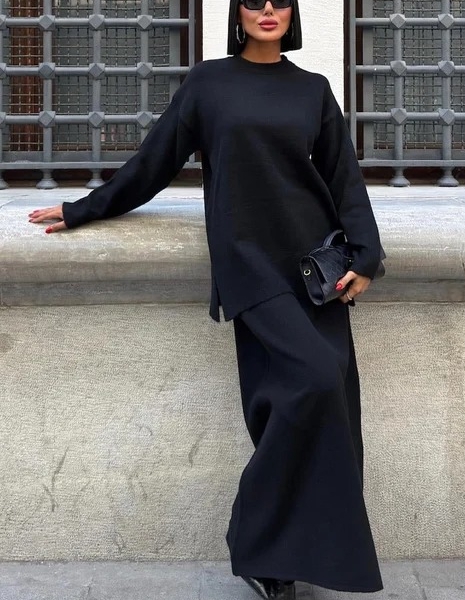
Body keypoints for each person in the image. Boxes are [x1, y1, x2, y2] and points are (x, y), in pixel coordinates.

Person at [29, 1, 384, 598]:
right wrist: (81, 208)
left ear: (293, 13)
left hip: (314, 268)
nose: (267, 10)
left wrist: (366, 256)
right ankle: (254, 535)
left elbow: (343, 177)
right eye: (254, 0)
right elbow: (154, 162)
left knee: (323, 407)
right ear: (237, 13)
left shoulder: (313, 89)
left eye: (279, 0)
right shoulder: (208, 83)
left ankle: (277, 562)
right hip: (251, 266)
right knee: (316, 380)